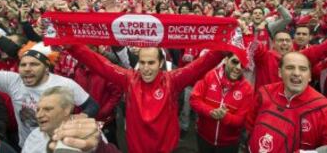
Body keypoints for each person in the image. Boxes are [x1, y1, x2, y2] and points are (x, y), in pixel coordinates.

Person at [67, 44, 234, 153]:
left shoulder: (173, 80)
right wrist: (72, 47)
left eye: (151, 63)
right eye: (142, 62)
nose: (146, 68)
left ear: (161, 63)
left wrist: (223, 48)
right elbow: (101, 64)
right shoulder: (129, 79)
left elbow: (200, 65)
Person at [0, 41, 99, 147]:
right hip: (28, 145)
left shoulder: (65, 84)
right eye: (23, 65)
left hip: (59, 144)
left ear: (46, 68)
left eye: (34, 64)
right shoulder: (13, 80)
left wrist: (79, 118)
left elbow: (92, 106)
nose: (27, 68)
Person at [246, 52, 327, 152]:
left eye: (303, 69)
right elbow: (250, 125)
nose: (296, 73)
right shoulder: (264, 92)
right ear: (280, 72)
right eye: (290, 67)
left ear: (309, 76)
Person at [190, 53, 253, 153]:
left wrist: (225, 117)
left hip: (229, 145)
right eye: (235, 62)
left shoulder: (247, 89)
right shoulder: (209, 76)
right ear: (226, 59)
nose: (238, 67)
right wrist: (210, 112)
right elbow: (194, 100)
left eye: (242, 64)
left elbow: (241, 120)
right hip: (204, 138)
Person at [252, 31, 327, 91]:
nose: (284, 43)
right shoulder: (264, 57)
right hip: (266, 106)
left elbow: (324, 48)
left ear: (292, 43)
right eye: (280, 40)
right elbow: (254, 47)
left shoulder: (301, 56)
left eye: (287, 40)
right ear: (273, 44)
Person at [22, 86, 76, 153]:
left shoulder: (83, 140)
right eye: (38, 110)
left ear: (66, 110)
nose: (38, 115)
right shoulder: (35, 135)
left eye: (47, 109)